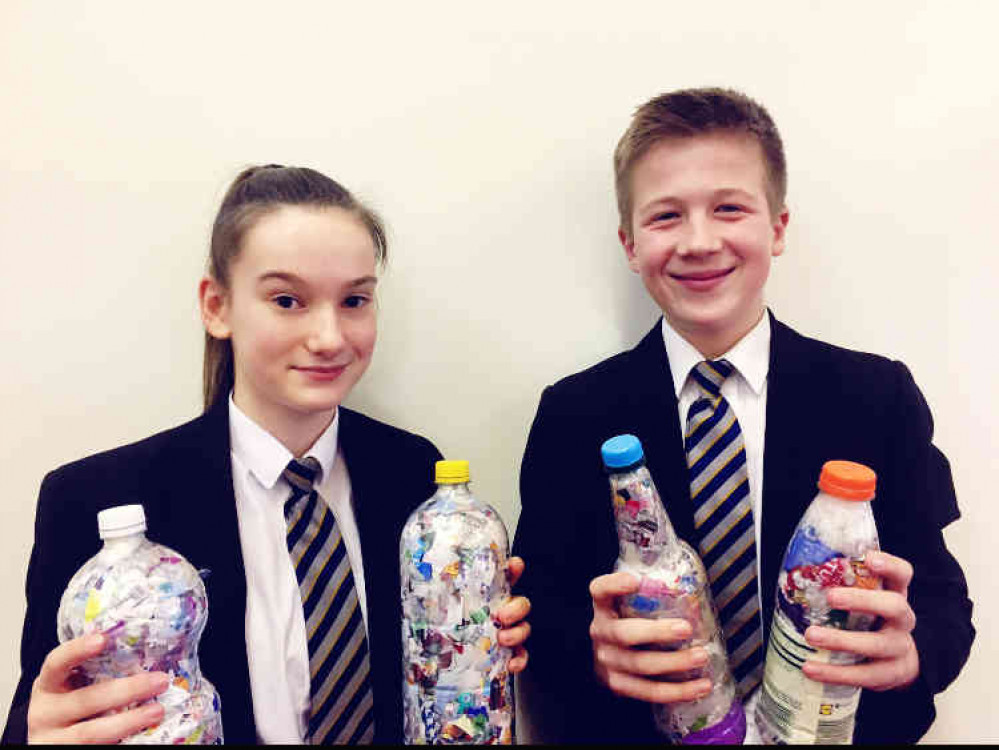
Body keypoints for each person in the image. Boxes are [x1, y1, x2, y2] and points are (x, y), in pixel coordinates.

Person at [3, 165, 531, 745]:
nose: (330, 336)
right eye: (287, 300)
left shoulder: (412, 474)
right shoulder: (97, 501)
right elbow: (46, 718)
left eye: (355, 300)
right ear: (217, 306)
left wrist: (483, 652)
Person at [512, 88, 973, 744]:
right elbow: (544, 612)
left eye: (728, 207)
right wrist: (591, 649)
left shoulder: (877, 397)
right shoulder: (572, 414)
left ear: (777, 228)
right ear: (629, 243)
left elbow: (939, 599)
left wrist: (914, 653)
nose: (699, 242)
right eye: (666, 216)